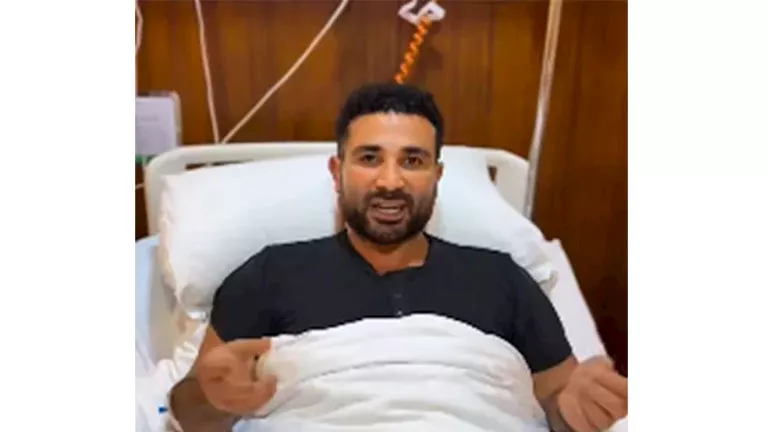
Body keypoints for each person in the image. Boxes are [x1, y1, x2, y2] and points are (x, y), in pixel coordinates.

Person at [167, 82, 628, 432]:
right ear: (337, 171)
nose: (390, 182)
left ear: (437, 175)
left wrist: (578, 409)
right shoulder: (269, 274)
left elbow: (558, 400)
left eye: (412, 161)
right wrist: (211, 397)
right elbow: (193, 414)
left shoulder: (502, 277)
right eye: (369, 158)